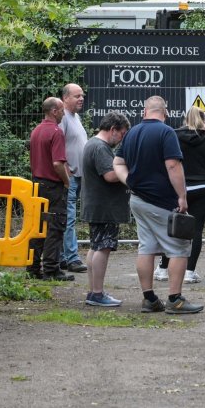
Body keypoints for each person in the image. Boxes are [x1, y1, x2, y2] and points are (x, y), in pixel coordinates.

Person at [113, 96, 203, 314]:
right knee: (179, 249)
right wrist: (182, 196)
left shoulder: (132, 132)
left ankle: (149, 298)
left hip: (137, 199)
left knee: (146, 247)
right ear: (166, 111)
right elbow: (173, 165)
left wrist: (129, 181)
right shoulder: (166, 133)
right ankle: (175, 300)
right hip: (162, 201)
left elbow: (117, 162)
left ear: (144, 111)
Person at [154, 106, 205, 284]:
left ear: (185, 119)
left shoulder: (173, 136)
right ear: (203, 120)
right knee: (197, 230)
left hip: (178, 189)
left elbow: (166, 162)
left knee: (172, 228)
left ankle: (163, 269)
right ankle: (189, 272)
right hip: (202, 188)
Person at [80, 111, 131, 306]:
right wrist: (130, 173)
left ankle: (94, 291)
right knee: (103, 247)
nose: (122, 139)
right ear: (113, 130)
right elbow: (110, 175)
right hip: (104, 207)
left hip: (97, 205)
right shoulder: (100, 148)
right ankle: (98, 293)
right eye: (123, 134)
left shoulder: (92, 143)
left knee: (95, 246)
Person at [27, 97, 74, 281]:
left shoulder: (36, 131)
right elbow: (57, 163)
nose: (63, 113)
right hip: (53, 186)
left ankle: (32, 268)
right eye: (62, 110)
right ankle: (51, 269)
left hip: (37, 183)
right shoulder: (56, 132)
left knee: (37, 227)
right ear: (54, 111)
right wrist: (66, 181)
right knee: (55, 227)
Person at [59, 83, 88, 273]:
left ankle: (63, 257)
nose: (81, 98)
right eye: (77, 96)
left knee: (68, 216)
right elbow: (57, 143)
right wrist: (66, 169)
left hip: (76, 175)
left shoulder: (75, 116)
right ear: (65, 98)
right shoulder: (63, 117)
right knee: (68, 217)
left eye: (82, 95)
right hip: (69, 176)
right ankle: (72, 258)